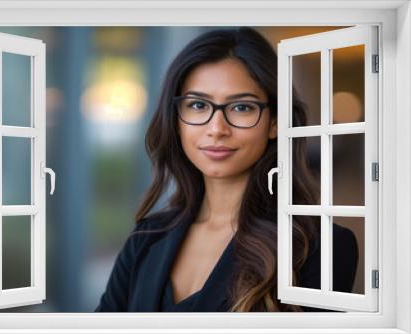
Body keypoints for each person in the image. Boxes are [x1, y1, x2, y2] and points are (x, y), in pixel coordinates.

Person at [95, 27, 358, 312]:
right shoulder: (147, 236)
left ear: (274, 122)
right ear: (177, 120)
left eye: (241, 108)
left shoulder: (320, 248)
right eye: (197, 104)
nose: (216, 129)